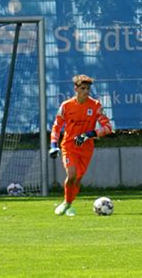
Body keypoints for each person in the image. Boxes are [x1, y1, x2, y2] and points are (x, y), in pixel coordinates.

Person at [49, 74, 113, 216]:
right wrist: (54, 145)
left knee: (77, 179)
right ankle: (66, 202)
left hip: (86, 148)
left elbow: (108, 127)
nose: (86, 91)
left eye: (88, 88)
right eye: (83, 88)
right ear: (76, 89)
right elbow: (56, 127)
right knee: (71, 175)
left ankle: (69, 204)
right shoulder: (66, 106)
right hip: (69, 145)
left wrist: (88, 135)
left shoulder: (95, 106)